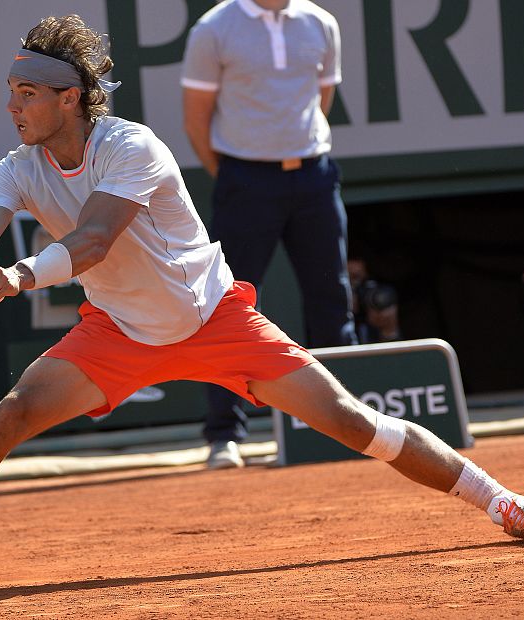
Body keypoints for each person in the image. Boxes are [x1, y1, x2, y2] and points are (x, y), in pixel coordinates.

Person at [0, 13, 524, 597]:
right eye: (10, 91)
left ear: (70, 98)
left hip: (215, 319)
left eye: (27, 93)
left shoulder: (133, 148)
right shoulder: (16, 167)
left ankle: (502, 502)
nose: (11, 105)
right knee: (12, 416)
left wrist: (17, 277)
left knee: (353, 421)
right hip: (116, 331)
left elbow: (91, 241)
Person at [181, 0, 357, 469]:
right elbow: (196, 116)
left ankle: (349, 426)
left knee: (331, 299)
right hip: (244, 181)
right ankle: (225, 436)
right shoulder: (214, 28)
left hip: (315, 177)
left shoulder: (321, 23)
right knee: (227, 306)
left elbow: (322, 99)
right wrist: (233, 175)